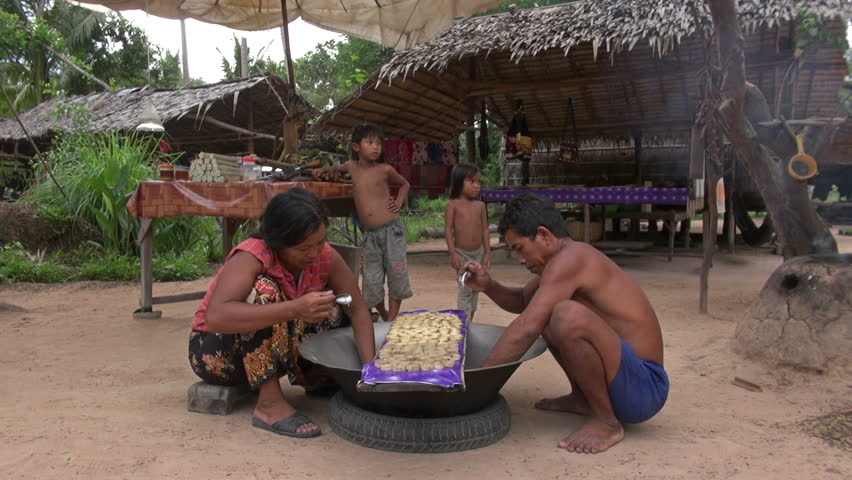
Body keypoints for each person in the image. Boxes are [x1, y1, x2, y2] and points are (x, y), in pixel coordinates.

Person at [460, 193, 668, 454]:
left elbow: (527, 326)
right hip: (625, 380)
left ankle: (607, 421)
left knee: (565, 315)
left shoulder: (573, 258)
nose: (520, 260)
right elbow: (524, 301)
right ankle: (583, 399)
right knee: (551, 313)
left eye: (520, 248)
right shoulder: (556, 264)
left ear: (545, 235)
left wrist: (475, 384)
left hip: (645, 388)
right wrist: (488, 286)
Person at [188, 188, 376, 438]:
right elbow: (217, 317)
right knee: (264, 292)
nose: (314, 253)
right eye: (303, 248)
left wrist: (371, 372)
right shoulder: (253, 255)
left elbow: (358, 308)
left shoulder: (325, 256)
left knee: (333, 306)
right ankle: (269, 404)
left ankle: (317, 379)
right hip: (220, 355)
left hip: (277, 351)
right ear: (278, 242)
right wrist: (295, 308)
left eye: (319, 242)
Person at [312, 124, 412, 322]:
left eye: (379, 143)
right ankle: (384, 315)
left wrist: (399, 202)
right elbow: (334, 170)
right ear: (356, 147)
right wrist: (321, 171)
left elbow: (404, 184)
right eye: (370, 142)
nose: (376, 147)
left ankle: (391, 321)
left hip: (392, 231)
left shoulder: (385, 169)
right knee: (371, 281)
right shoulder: (351, 166)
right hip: (370, 235)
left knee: (396, 274)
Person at [444, 163, 491, 321]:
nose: (477, 186)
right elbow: (448, 230)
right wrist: (453, 254)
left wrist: (488, 253)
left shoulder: (480, 206)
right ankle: (464, 322)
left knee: (476, 287)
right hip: (461, 253)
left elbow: (485, 230)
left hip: (478, 252)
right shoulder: (453, 205)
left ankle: (470, 320)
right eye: (472, 181)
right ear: (459, 182)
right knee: (465, 287)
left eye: (479, 182)